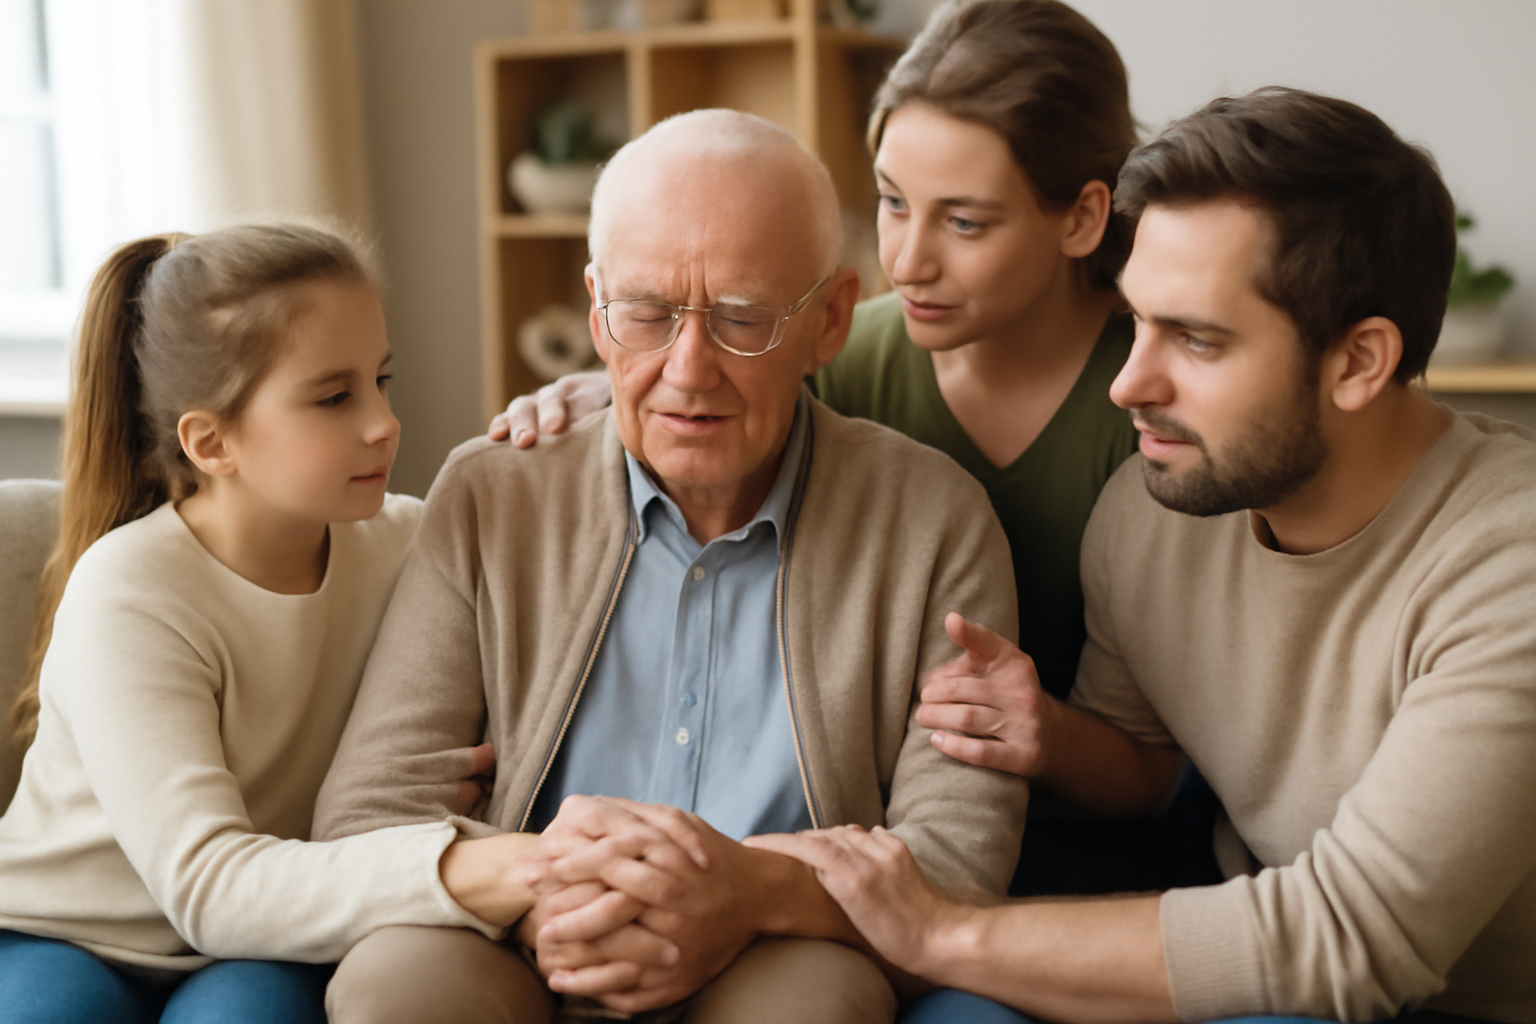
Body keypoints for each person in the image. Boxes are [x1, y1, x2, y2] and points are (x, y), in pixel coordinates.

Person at [756, 87, 1536, 1024]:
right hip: (1248, 950)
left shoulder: (1508, 558)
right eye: (1136, 323)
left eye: (1198, 340)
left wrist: (939, 932)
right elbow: (1147, 772)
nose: (1129, 384)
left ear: (1359, 361)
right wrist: (1043, 732)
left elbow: (1353, 940)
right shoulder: (1151, 515)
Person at [489, 0, 1221, 901]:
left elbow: (1161, 776)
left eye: (964, 222)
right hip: (874, 841)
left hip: (1076, 859)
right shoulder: (846, 350)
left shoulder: (1152, 402)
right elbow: (723, 384)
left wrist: (1047, 735)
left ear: (1081, 217)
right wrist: (620, 382)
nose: (907, 259)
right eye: (891, 202)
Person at [311, 109, 1027, 1024]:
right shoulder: (495, 493)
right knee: (390, 990)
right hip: (523, 933)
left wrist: (750, 892)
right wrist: (551, 889)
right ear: (597, 311)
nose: (688, 370)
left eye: (742, 319)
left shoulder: (934, 520)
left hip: (783, 947)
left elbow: (956, 864)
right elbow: (367, 818)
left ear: (832, 318)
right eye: (646, 315)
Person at [0, 223, 543, 1024]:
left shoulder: (407, 543)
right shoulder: (129, 589)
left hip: (262, 936)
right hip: (63, 929)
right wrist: (473, 869)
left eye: (381, 381)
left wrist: (588, 400)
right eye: (334, 397)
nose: (384, 423)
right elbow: (208, 884)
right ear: (212, 442)